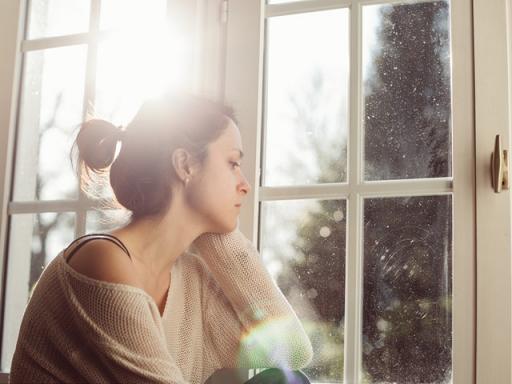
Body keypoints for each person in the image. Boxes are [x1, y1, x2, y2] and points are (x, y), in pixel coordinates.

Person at [9, 92, 313, 383]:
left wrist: (217, 235)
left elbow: (291, 351)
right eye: (232, 163)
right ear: (185, 165)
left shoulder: (191, 279)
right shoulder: (101, 260)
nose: (245, 184)